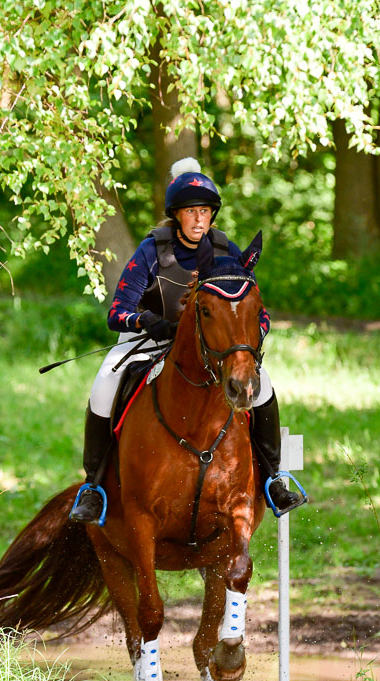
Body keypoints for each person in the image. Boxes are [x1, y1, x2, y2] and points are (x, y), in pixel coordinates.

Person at [70, 157, 300, 523]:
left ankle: (273, 479)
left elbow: (258, 312)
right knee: (104, 385)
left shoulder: (228, 252)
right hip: (148, 341)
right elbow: (117, 312)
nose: (198, 220)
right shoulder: (152, 251)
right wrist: (148, 321)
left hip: (214, 350)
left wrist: (247, 341)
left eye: (204, 212)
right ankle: (93, 488)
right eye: (191, 212)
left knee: (264, 387)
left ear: (212, 215)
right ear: (177, 215)